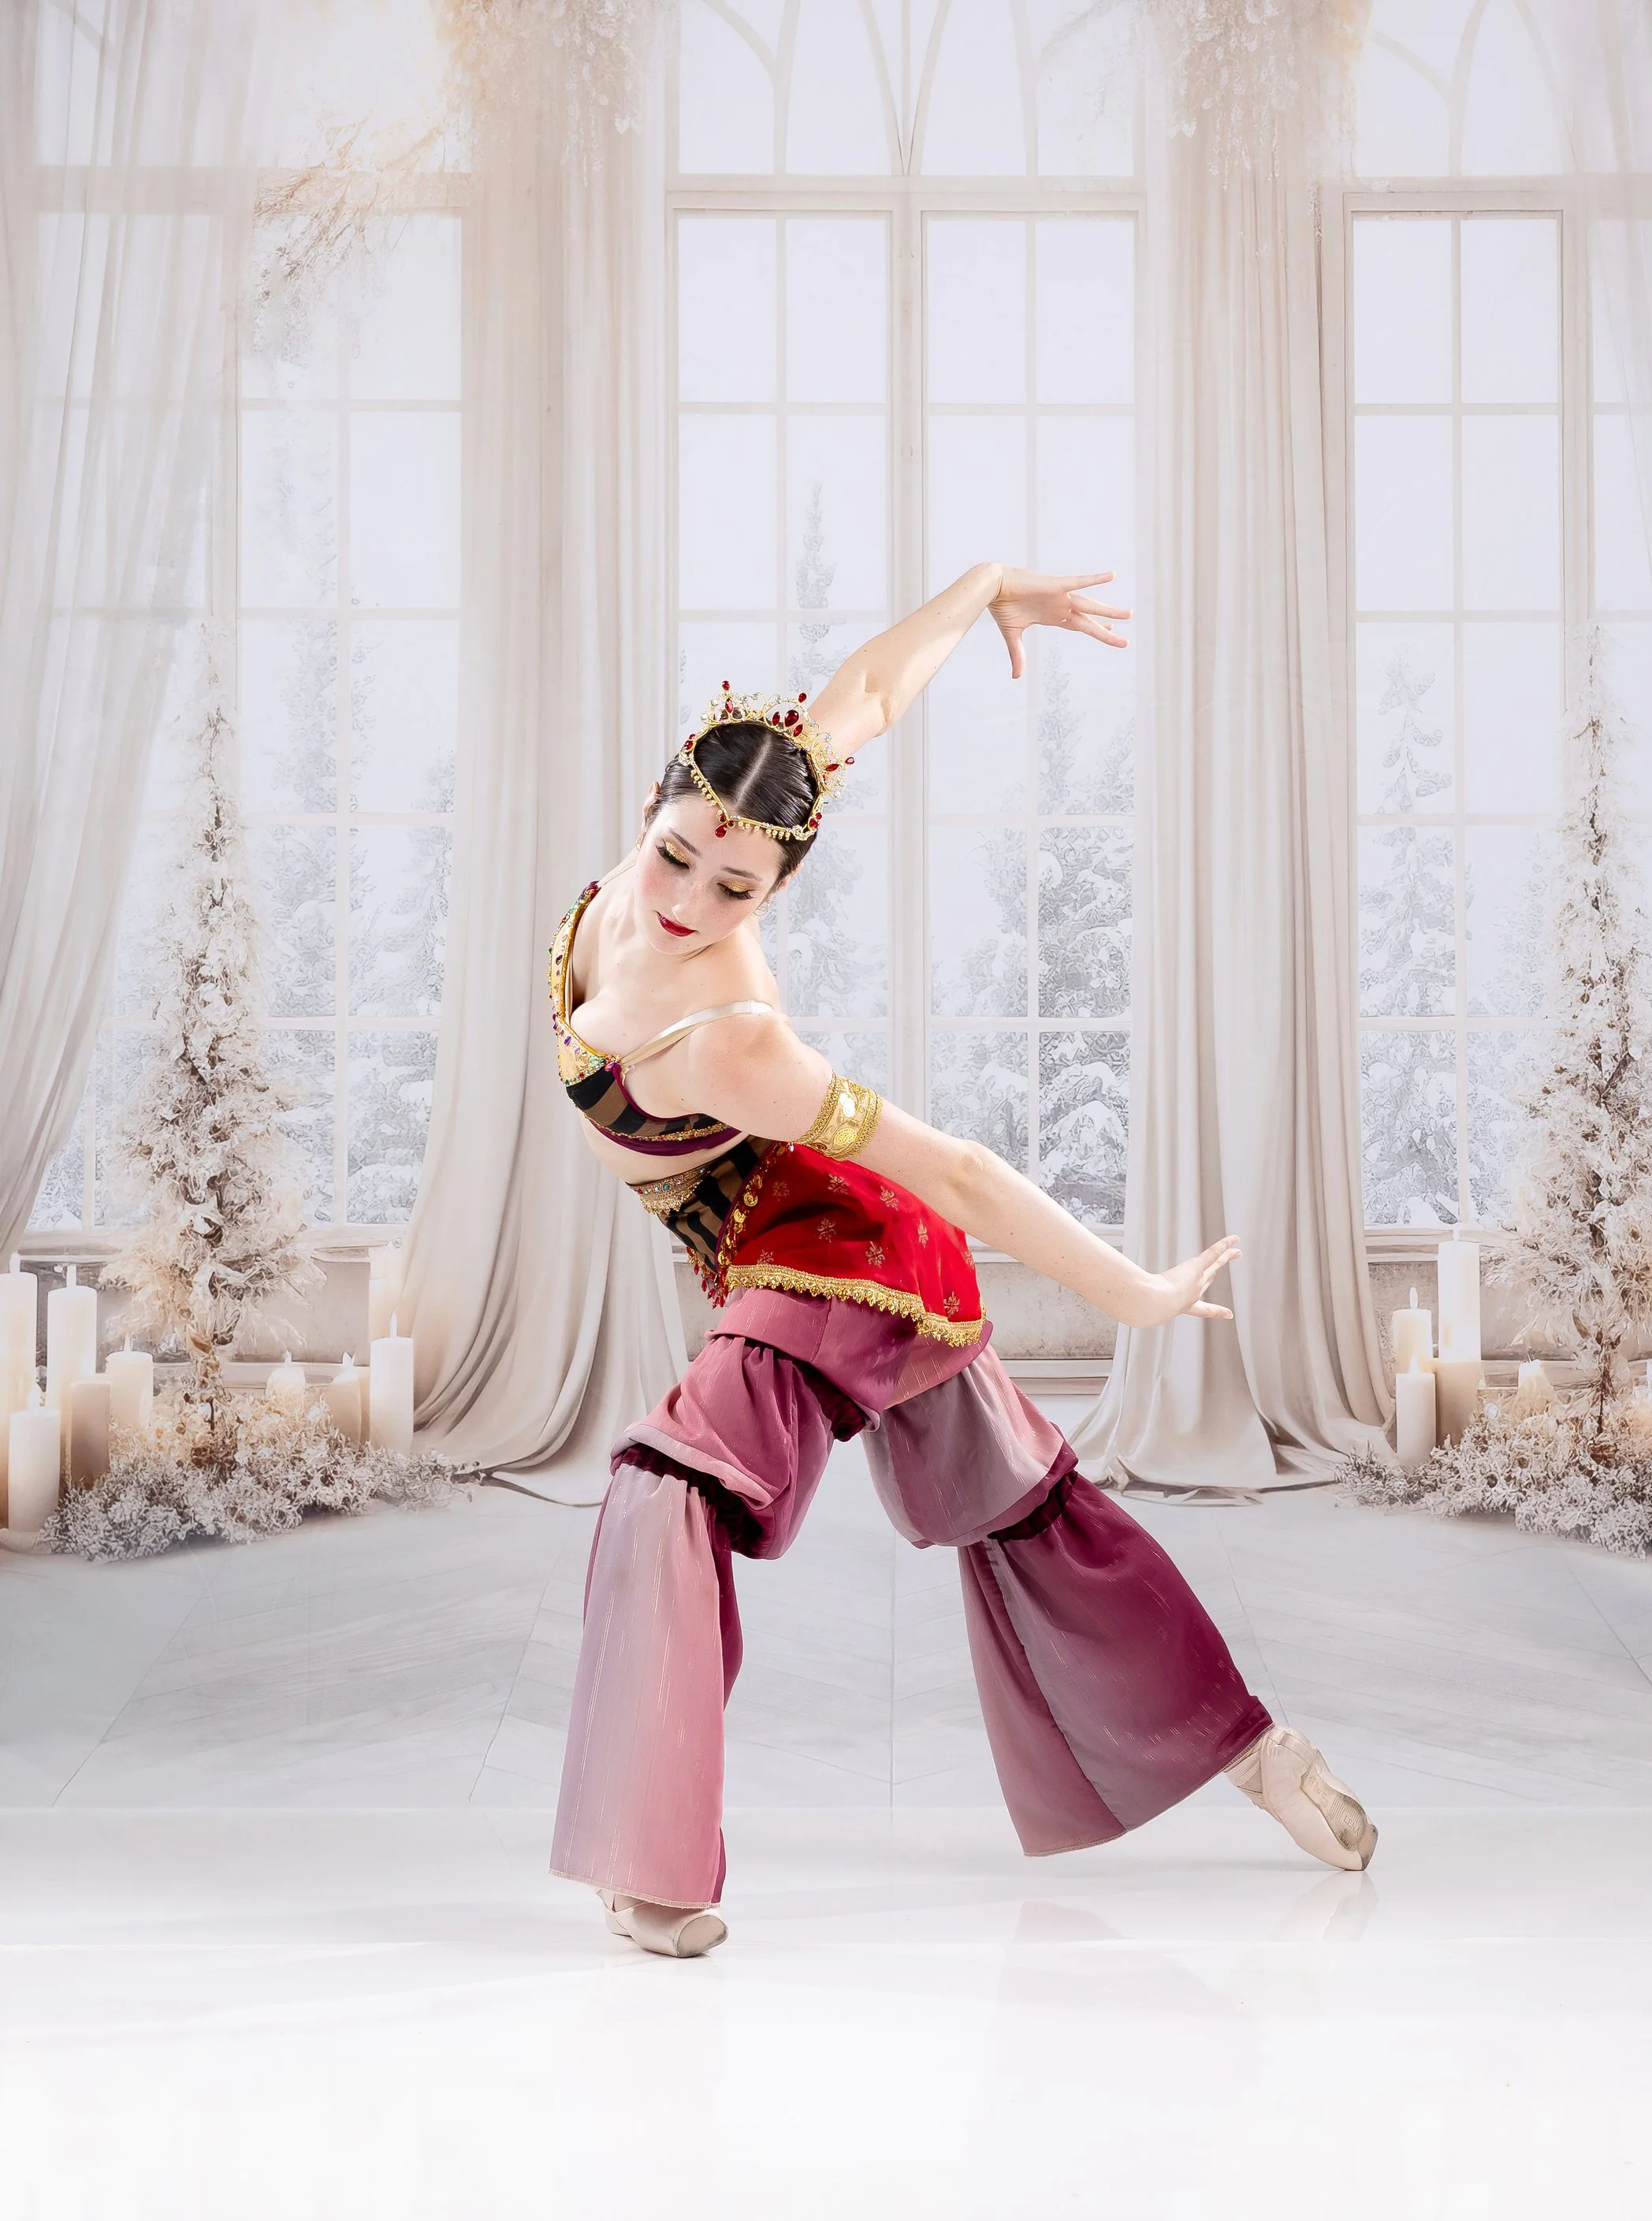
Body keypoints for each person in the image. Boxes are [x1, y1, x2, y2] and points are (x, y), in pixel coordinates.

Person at [549, 560, 1375, 1957]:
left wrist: (1133, 1294)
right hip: (848, 1261)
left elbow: (953, 1175)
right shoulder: (718, 817)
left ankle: (660, 1874)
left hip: (834, 1260)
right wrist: (982, 589)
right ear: (658, 801)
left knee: (667, 1491)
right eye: (680, 851)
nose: (691, 896)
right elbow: (860, 698)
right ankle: (1260, 1757)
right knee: (1027, 1516)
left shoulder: (734, 1034)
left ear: (779, 885)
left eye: (737, 886)